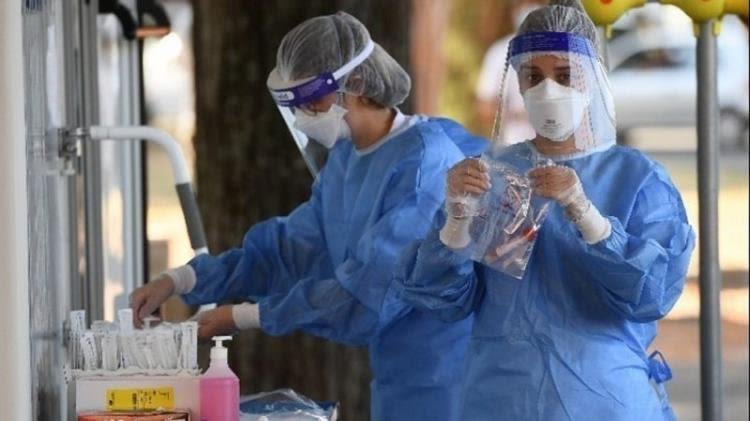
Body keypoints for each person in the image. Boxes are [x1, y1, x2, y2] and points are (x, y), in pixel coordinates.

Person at [129, 12, 487, 421]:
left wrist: (242, 316)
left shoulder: (424, 167)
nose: (302, 117)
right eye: (294, 105)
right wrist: (180, 280)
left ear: (357, 85)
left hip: (449, 381)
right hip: (399, 376)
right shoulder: (347, 161)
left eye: (310, 101)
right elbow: (286, 250)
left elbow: (367, 295)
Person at [396, 1, 695, 419]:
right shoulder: (490, 175)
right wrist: (456, 226)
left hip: (602, 400)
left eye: (565, 75)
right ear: (517, 82)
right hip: (503, 399)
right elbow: (445, 302)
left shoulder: (637, 179)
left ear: (591, 78)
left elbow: (652, 294)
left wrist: (587, 215)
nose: (547, 90)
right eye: (533, 76)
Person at [474, 0, 543, 144]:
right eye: (524, 5)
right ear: (514, 10)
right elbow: (484, 108)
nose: (529, 10)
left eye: (533, 3)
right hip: (514, 146)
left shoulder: (561, 50)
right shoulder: (500, 52)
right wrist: (521, 115)